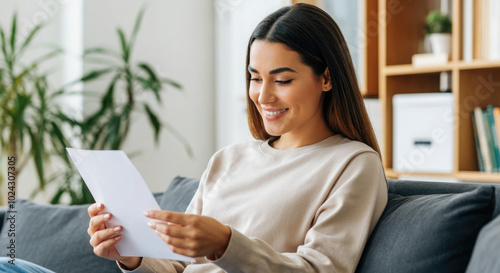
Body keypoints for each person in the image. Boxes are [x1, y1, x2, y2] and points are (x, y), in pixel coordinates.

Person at [2, 3, 385, 273]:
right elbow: (176, 265)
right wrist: (132, 256)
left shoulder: (352, 164)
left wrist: (225, 244)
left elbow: (322, 270)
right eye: (254, 78)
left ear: (327, 78)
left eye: (282, 80)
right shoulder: (229, 159)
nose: (263, 96)